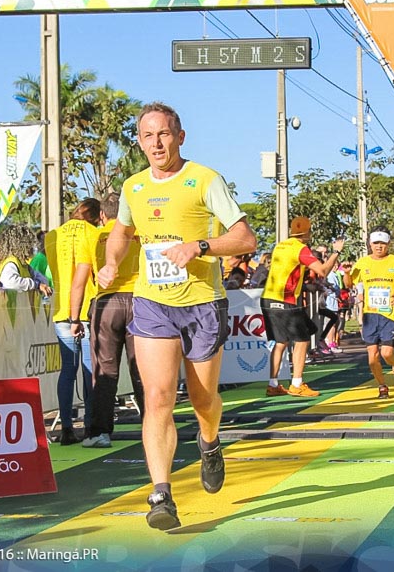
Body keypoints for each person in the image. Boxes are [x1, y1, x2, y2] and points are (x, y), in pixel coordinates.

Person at [96, 102, 255, 531]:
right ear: (139, 142)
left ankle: (208, 442)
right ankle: (161, 493)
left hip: (202, 302)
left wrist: (199, 247)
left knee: (203, 400)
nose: (156, 143)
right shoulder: (132, 187)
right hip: (152, 303)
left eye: (164, 134)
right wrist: (112, 262)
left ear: (180, 136)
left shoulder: (204, 179)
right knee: (159, 398)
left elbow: (244, 237)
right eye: (148, 136)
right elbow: (121, 233)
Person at [83, 192, 144, 449]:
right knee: (143, 370)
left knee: (105, 371)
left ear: (103, 215)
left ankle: (100, 432)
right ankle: (154, 428)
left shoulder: (94, 236)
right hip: (141, 300)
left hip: (107, 302)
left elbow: (82, 277)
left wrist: (76, 315)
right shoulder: (141, 232)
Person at [261, 217, 344, 398]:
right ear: (307, 232)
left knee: (281, 342)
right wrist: (336, 252)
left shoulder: (280, 246)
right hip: (285, 300)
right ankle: (297, 383)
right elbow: (322, 271)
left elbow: (289, 271)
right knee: (302, 339)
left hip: (268, 298)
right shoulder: (300, 248)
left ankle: (273, 384)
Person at [46, 198, 101, 446]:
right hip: (88, 307)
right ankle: (91, 425)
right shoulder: (95, 233)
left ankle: (66, 427)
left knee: (68, 370)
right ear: (96, 215)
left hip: (61, 310)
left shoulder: (52, 236)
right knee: (90, 370)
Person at [346, 229, 394, 399]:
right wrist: (346, 272)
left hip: (390, 314)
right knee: (372, 357)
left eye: (382, 244)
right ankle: (382, 386)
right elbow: (349, 283)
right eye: (376, 243)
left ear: (388, 244)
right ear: (370, 245)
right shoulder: (363, 262)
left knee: (387, 353)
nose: (379, 247)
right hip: (370, 314)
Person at [0, 224, 52, 297]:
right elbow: (11, 283)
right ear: (20, 245)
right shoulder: (11, 263)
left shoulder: (23, 265)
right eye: (29, 243)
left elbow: (44, 281)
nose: (32, 246)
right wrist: (36, 285)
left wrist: (38, 284)